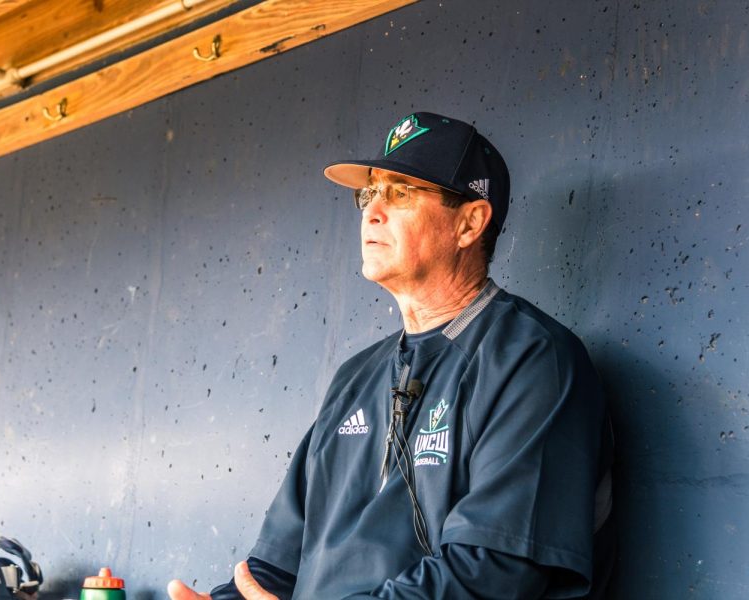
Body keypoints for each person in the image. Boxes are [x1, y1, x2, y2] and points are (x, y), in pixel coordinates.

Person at [168, 112, 615, 599]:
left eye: (400, 192)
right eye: (369, 193)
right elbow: (274, 569)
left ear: (469, 223)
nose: (371, 211)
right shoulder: (356, 378)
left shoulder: (532, 359)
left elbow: (491, 570)